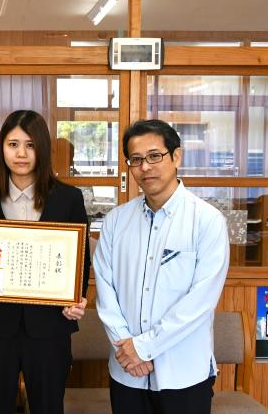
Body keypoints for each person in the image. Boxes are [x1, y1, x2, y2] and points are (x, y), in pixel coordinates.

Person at [0, 110, 91, 414]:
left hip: (50, 328)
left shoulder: (68, 199)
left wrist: (76, 298)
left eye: (30, 145)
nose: (21, 154)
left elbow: (80, 261)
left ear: (43, 149)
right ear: (2, 149)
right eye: (13, 144)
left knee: (48, 407)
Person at [94, 119, 229, 414]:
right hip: (127, 373)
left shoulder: (207, 221)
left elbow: (200, 302)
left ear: (176, 156)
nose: (145, 167)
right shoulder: (116, 221)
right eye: (136, 159)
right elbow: (105, 290)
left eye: (154, 156)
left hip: (184, 373)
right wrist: (127, 348)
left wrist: (143, 348)